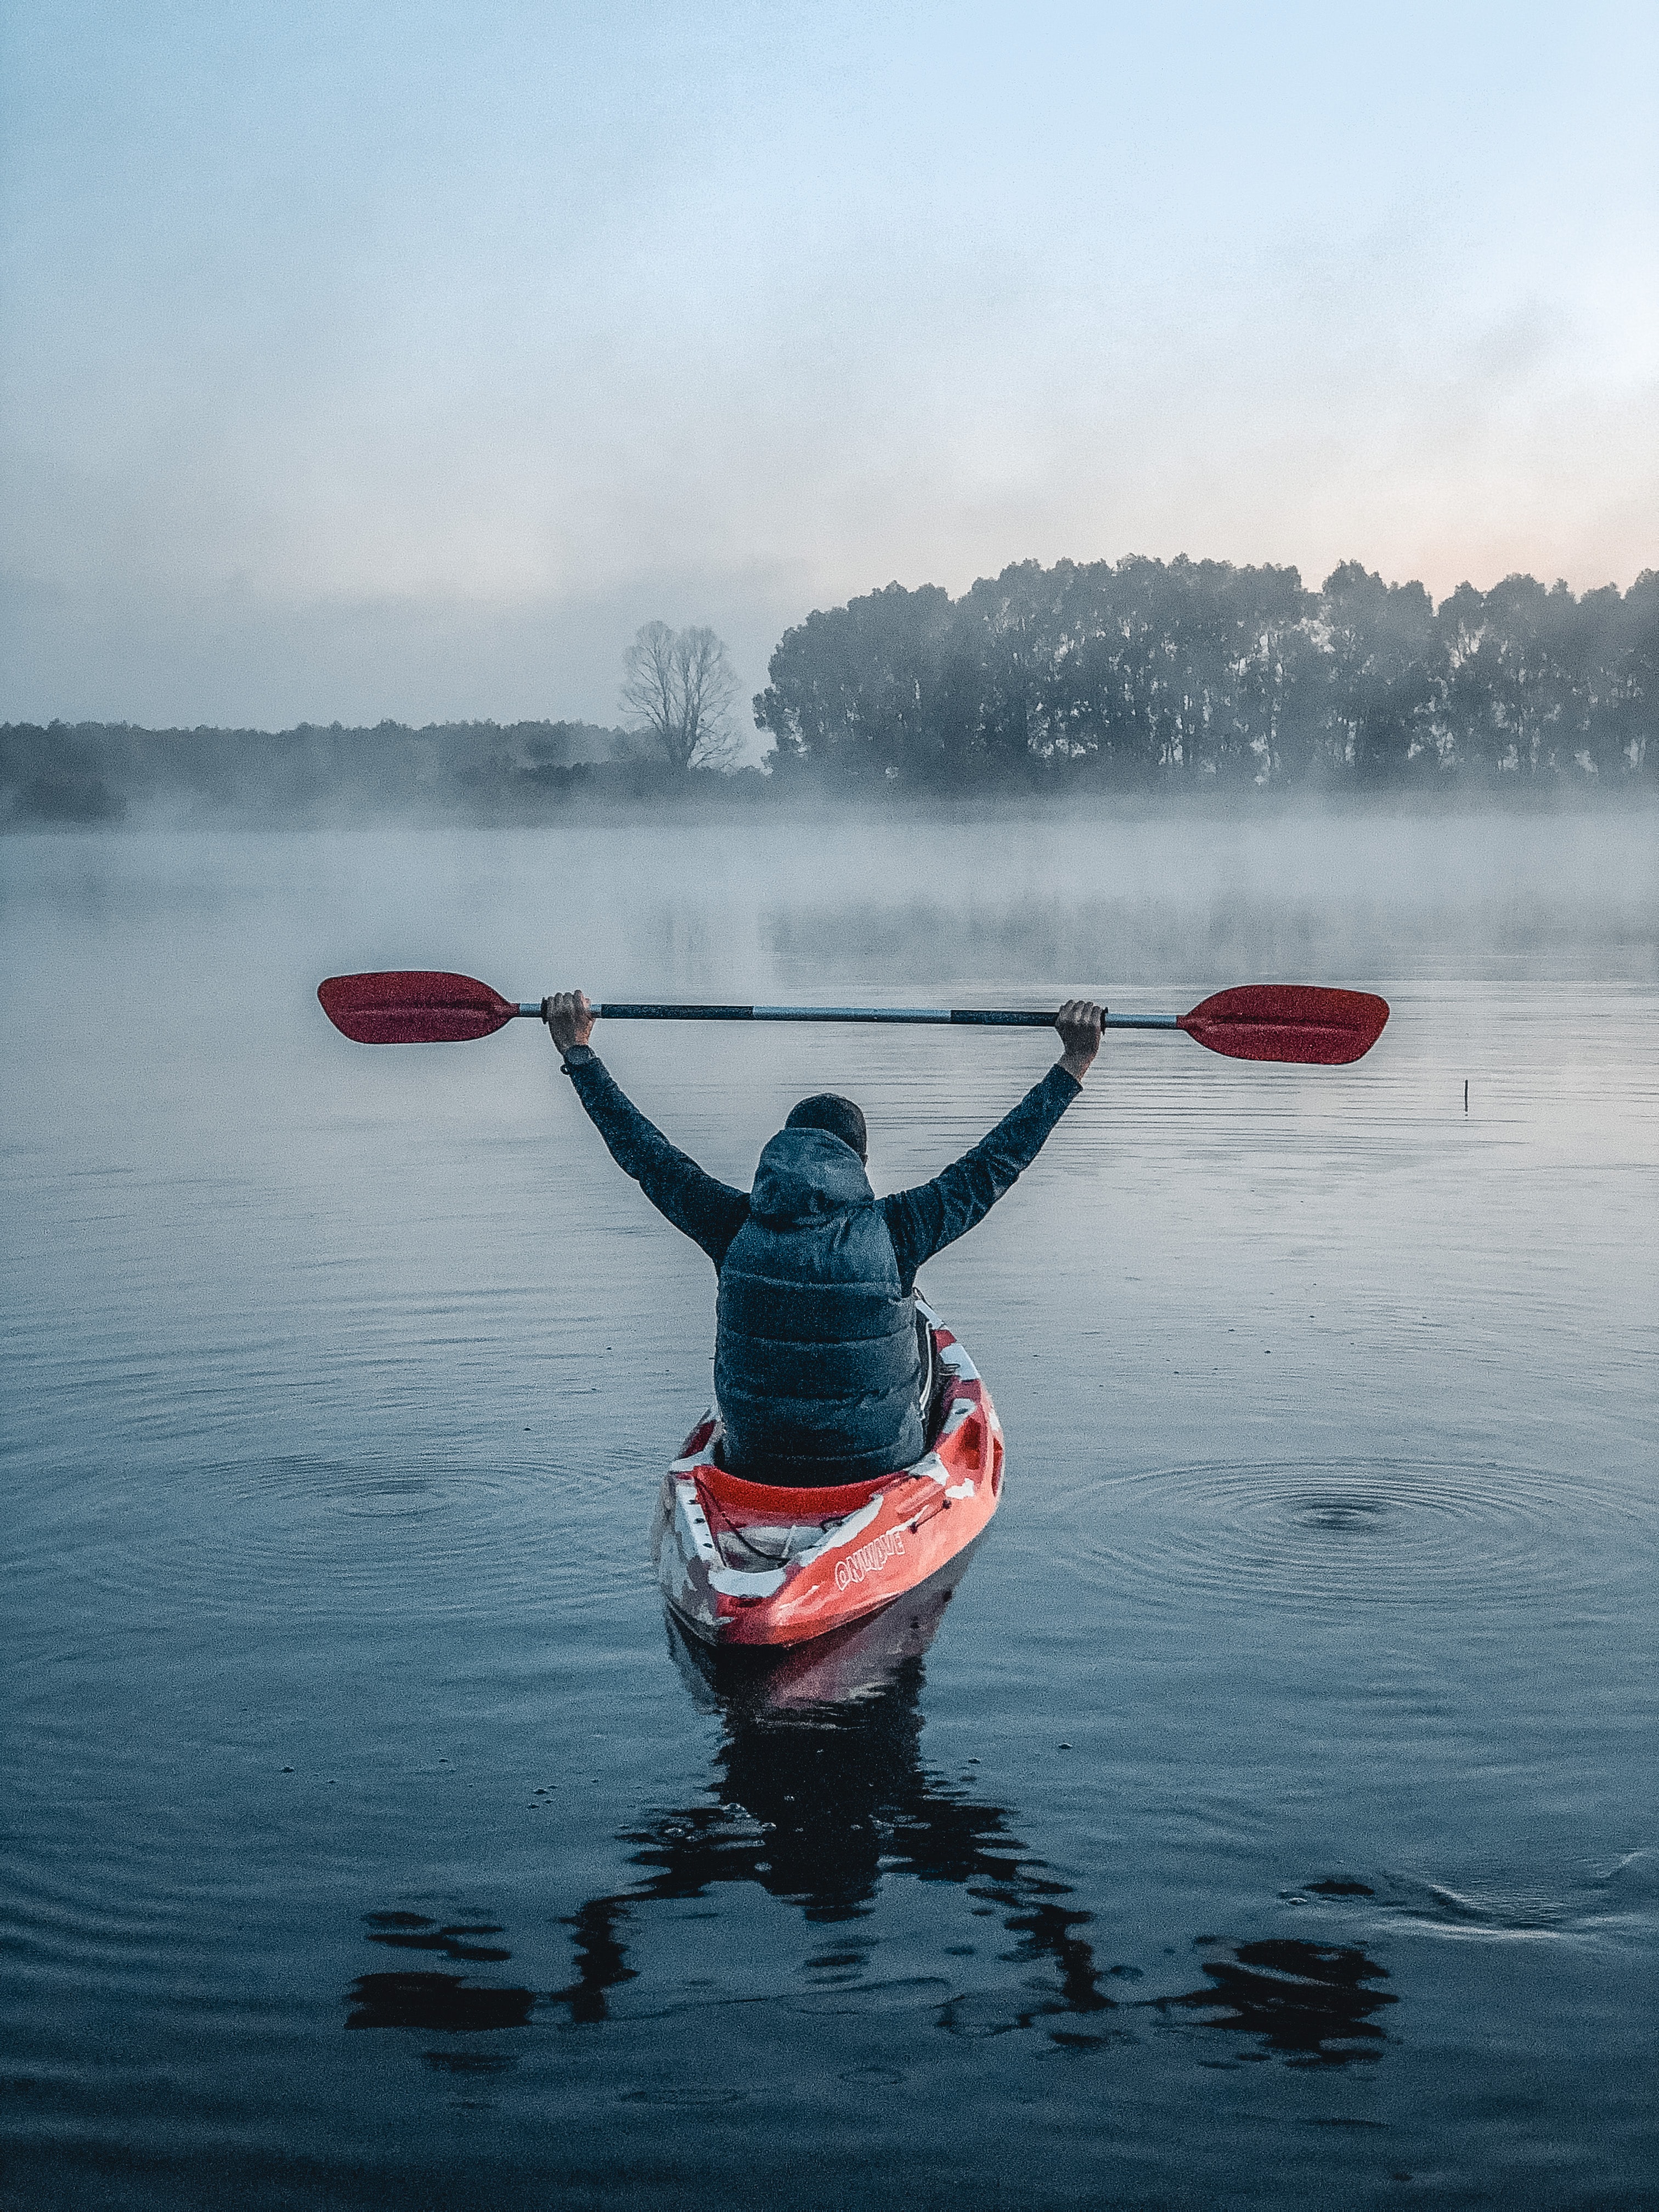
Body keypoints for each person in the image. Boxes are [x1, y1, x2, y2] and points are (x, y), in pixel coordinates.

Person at [544, 990, 1105, 1487]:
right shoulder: (901, 1228)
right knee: (922, 1338)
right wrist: (1073, 1062)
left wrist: (579, 1054)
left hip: (755, 1465)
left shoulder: (729, 1222)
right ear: (857, 1163)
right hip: (877, 1468)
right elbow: (995, 1164)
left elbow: (643, 1153)